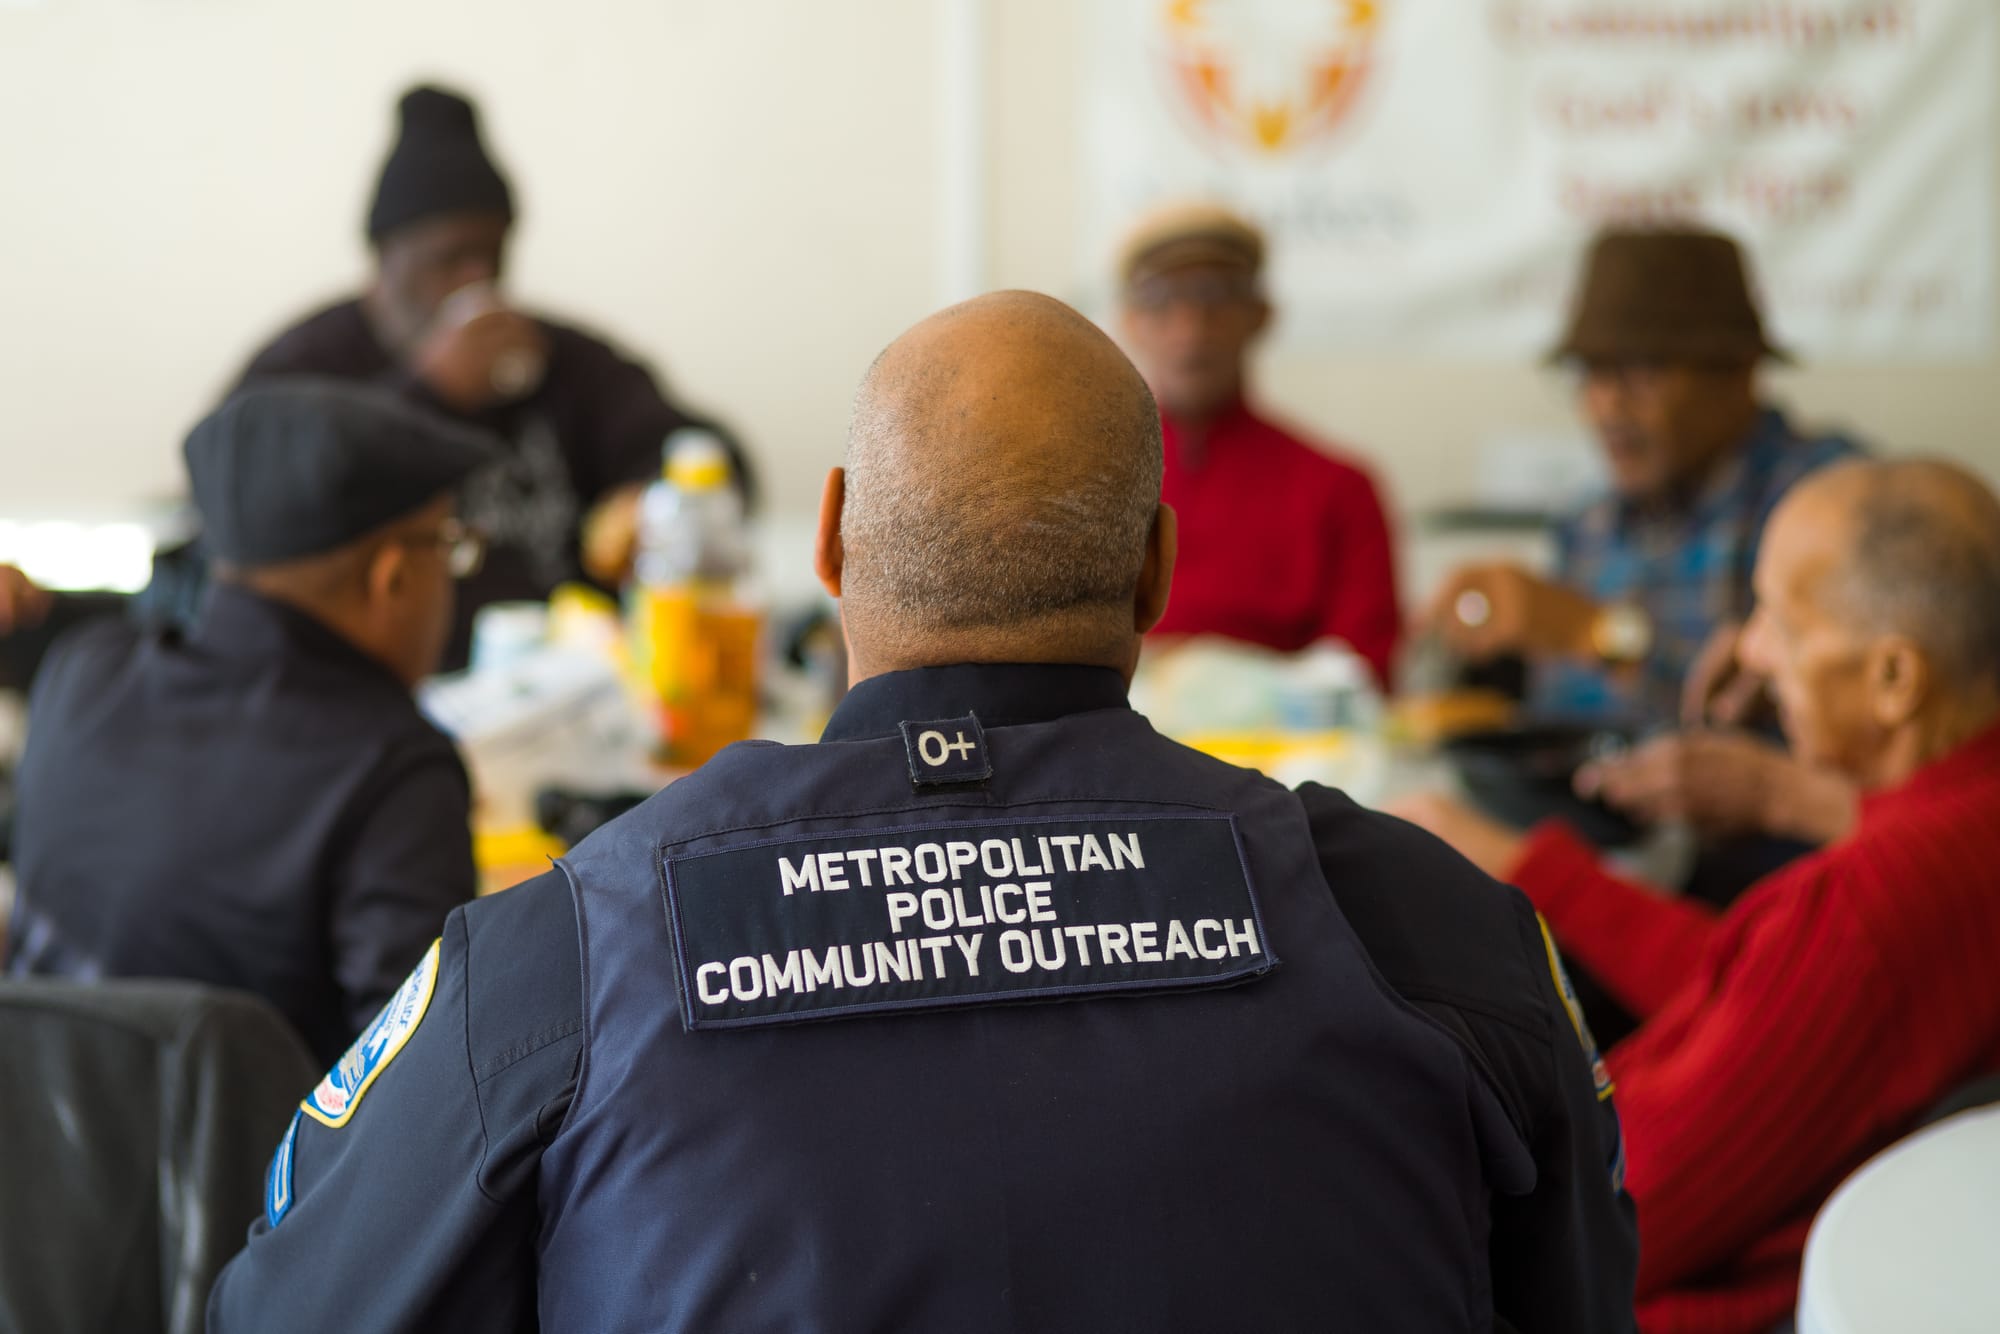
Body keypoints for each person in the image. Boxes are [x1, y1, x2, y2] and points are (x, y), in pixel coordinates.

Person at [208, 292, 1636, 1333]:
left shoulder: (570, 950)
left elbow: (285, 1304)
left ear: (828, 538)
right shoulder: (1446, 937)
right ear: (1155, 572)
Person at [1395, 459, 2000, 1334]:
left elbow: (1610, 1219)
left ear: (1895, 681)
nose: (1749, 654)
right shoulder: (1955, 828)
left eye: (1782, 626)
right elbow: (1758, 991)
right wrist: (1530, 868)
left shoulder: (1872, 904)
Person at [6, 379, 492, 1065]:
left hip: (40, 1143)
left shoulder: (82, 672)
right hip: (250, 1167)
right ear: (392, 577)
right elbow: (418, 1082)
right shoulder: (391, 767)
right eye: (447, 543)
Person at [237, 85, 753, 668]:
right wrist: (426, 391)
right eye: (449, 259)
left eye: (493, 254)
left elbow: (706, 449)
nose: (478, 279)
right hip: (373, 679)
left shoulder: (559, 357)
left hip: (574, 682)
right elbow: (252, 505)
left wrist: (653, 502)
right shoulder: (307, 364)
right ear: (384, 261)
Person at [1428, 226, 1866, 727]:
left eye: (1643, 370)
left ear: (1738, 373)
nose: (1608, 403)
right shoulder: (1588, 522)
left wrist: (1593, 632)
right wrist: (1475, 646)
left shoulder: (1827, 502)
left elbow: (1806, 726)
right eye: (1592, 372)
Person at [1118, 202, 1401, 688]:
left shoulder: (1340, 489)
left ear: (1261, 314)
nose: (1190, 326)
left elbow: (1365, 671)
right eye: (1162, 298)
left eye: (1215, 295)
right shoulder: (1091, 482)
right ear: (1132, 321)